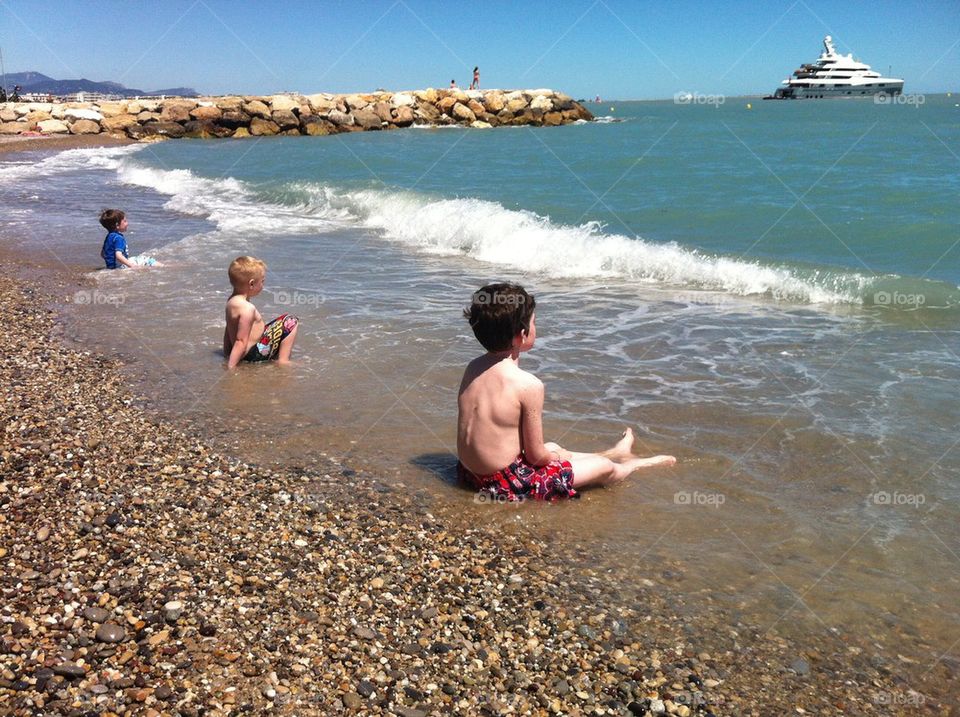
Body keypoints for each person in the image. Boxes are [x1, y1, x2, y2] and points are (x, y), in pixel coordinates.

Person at [457, 283, 676, 501]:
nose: (536, 326)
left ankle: (616, 453)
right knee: (603, 467)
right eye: (534, 322)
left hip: (470, 474)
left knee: (554, 447)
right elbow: (535, 456)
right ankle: (632, 464)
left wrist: (554, 454)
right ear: (522, 335)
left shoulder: (473, 368)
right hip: (507, 485)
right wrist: (552, 457)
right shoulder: (528, 385)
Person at [223, 256, 299, 369]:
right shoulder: (247, 309)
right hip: (255, 354)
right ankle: (283, 360)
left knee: (277, 326)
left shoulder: (232, 301)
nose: (263, 285)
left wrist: (227, 353)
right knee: (290, 320)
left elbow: (229, 329)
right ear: (252, 284)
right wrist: (231, 367)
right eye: (262, 281)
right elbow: (241, 341)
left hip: (243, 352)